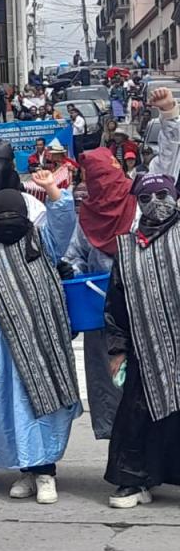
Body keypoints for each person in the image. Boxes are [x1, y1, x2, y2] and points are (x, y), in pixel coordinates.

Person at [64, 88, 180, 440]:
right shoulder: (87, 219)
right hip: (107, 316)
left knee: (158, 385)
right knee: (115, 388)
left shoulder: (141, 200)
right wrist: (72, 272)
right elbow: (74, 257)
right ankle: (125, 459)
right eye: (93, 180)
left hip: (151, 310)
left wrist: (169, 115)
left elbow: (168, 163)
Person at [0, 172, 80, 504]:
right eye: (2, 217)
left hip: (43, 343)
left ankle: (46, 473)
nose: (8, 222)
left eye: (14, 215)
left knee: (45, 408)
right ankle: (26, 472)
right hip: (2, 349)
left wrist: (53, 190)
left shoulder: (42, 243)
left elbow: (64, 222)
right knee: (12, 411)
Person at [105, 174, 180, 509]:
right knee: (137, 417)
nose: (156, 203)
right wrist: (118, 348)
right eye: (147, 198)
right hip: (146, 348)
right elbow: (116, 302)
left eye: (163, 194)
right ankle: (134, 480)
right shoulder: (127, 247)